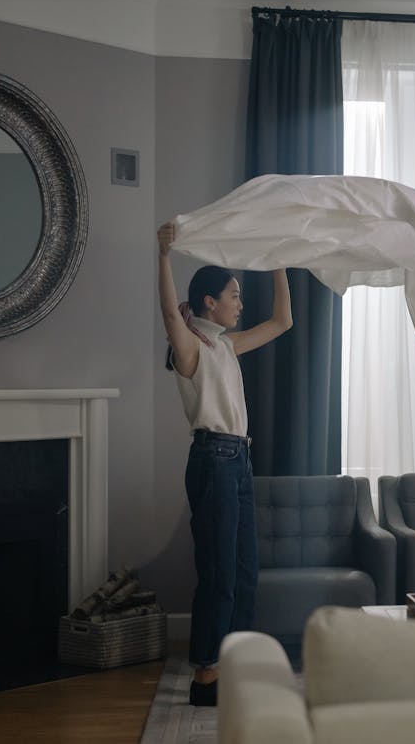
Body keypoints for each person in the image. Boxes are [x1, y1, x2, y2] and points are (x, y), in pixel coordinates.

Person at [157, 221, 292, 706]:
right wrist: (164, 256)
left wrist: (278, 260)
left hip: (238, 460)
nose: (240, 302)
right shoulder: (190, 346)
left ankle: (236, 663)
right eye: (233, 295)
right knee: (219, 573)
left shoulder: (227, 346)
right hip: (213, 460)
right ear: (209, 302)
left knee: (245, 571)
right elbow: (171, 316)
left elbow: (283, 322)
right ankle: (206, 677)